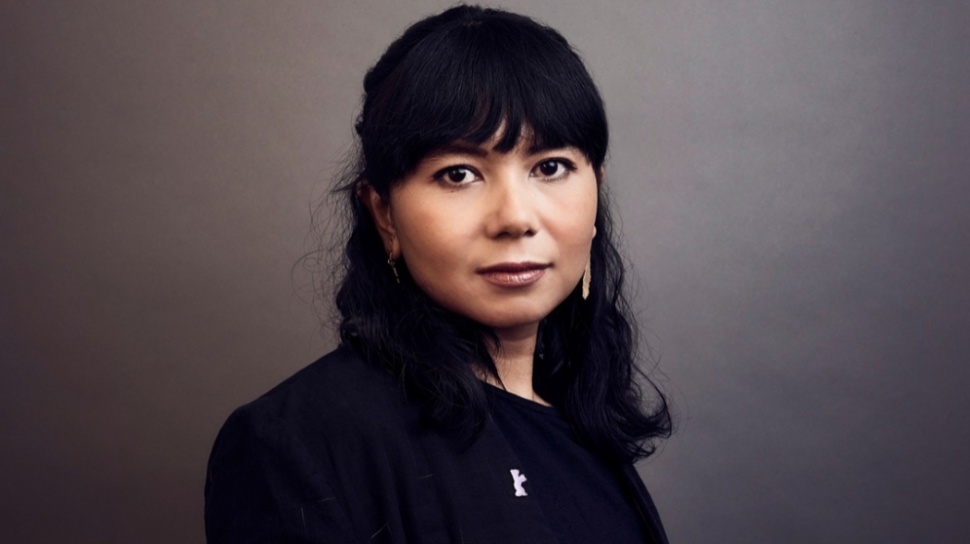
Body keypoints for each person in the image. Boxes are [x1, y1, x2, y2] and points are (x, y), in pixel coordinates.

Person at [204, 5, 672, 543]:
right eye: (459, 174)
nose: (515, 218)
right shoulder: (296, 441)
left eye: (550, 167)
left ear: (596, 194)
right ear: (384, 213)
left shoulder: (583, 424)